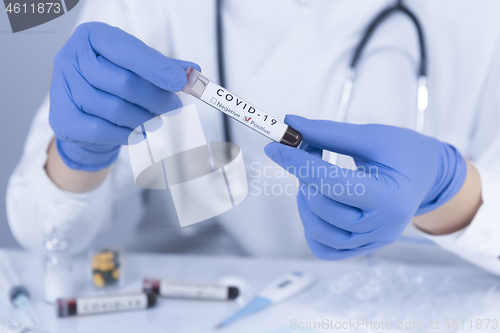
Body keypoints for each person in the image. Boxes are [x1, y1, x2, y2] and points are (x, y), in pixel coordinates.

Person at [6, 0, 500, 276]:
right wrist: (79, 153)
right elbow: (45, 236)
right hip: (201, 305)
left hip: (414, 306)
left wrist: (453, 192)